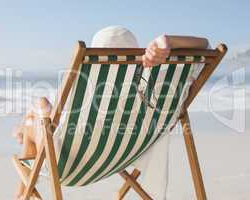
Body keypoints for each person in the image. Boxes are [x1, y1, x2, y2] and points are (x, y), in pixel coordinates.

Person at [13, 26, 208, 199]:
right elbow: (205, 46)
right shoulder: (157, 87)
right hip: (124, 156)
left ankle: (21, 190)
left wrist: (40, 109)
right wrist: (169, 41)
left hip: (67, 167)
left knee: (38, 111)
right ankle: (22, 191)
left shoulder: (89, 89)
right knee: (40, 113)